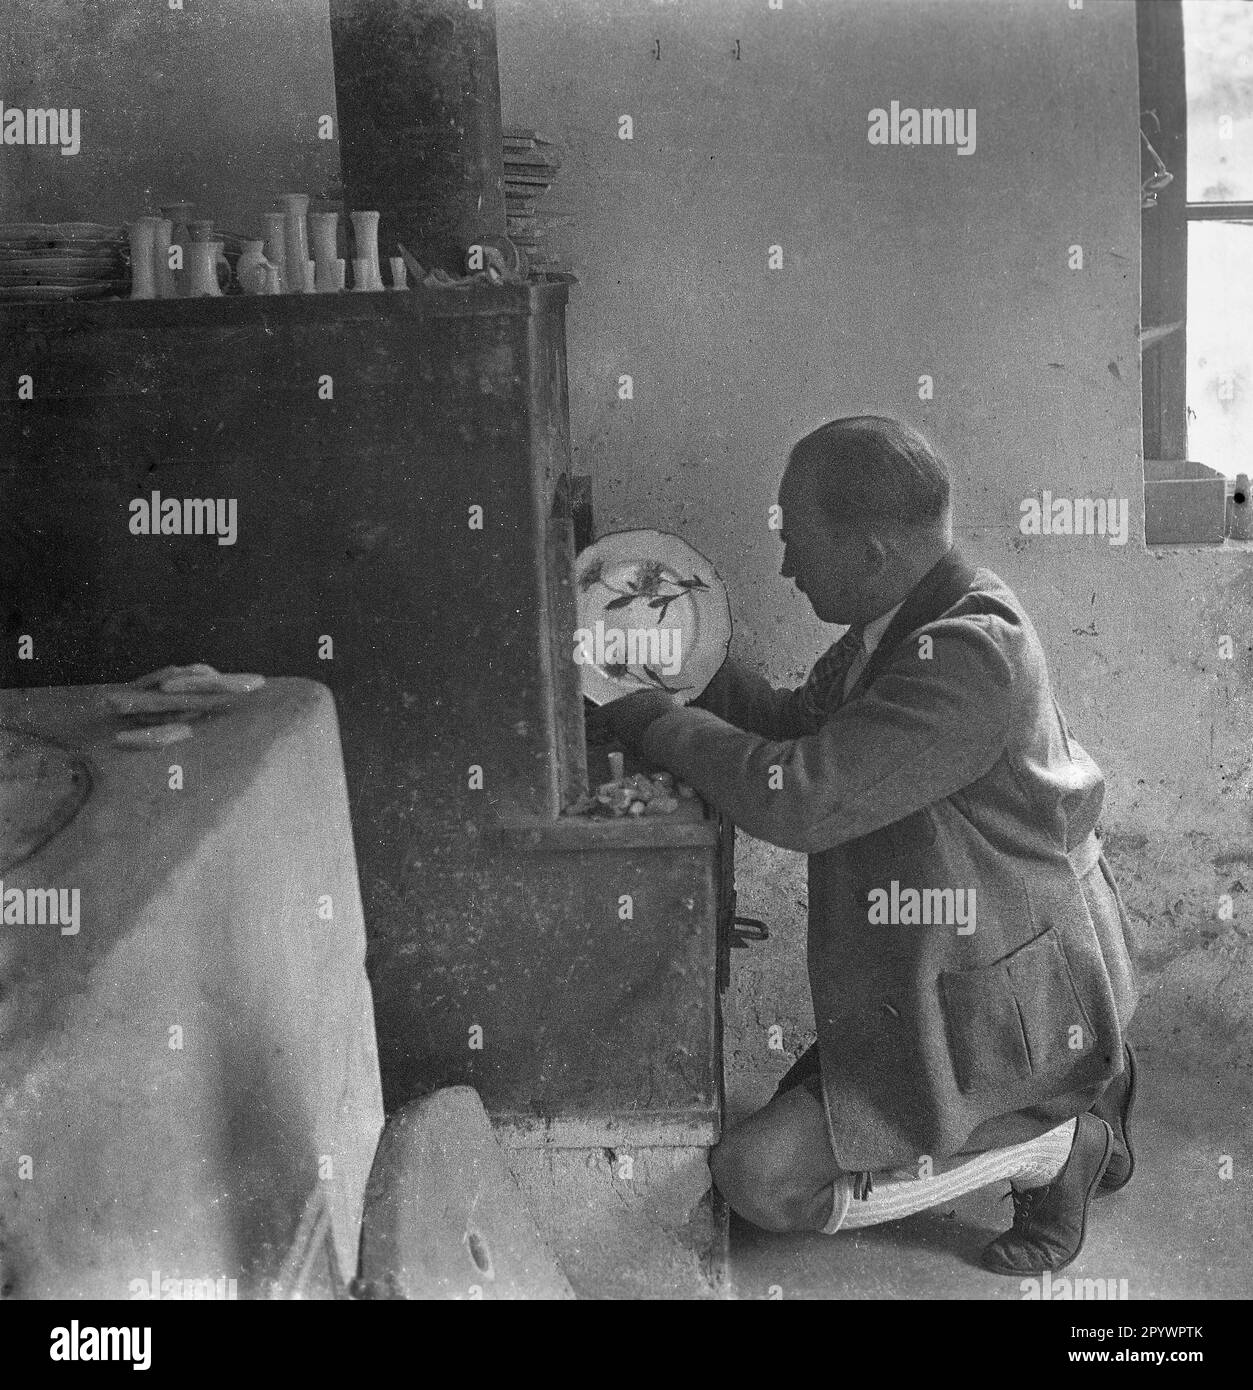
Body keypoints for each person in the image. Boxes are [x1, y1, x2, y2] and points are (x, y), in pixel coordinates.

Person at [600, 415, 1138, 1273]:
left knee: (757, 1181)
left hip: (1009, 988)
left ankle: (1058, 1144)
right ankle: (1012, 1122)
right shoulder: (899, 627)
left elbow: (804, 798)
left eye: (796, 541)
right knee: (803, 1120)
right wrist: (690, 662)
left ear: (873, 552)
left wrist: (660, 723)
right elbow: (796, 731)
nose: (783, 566)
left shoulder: (967, 654)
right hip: (951, 962)